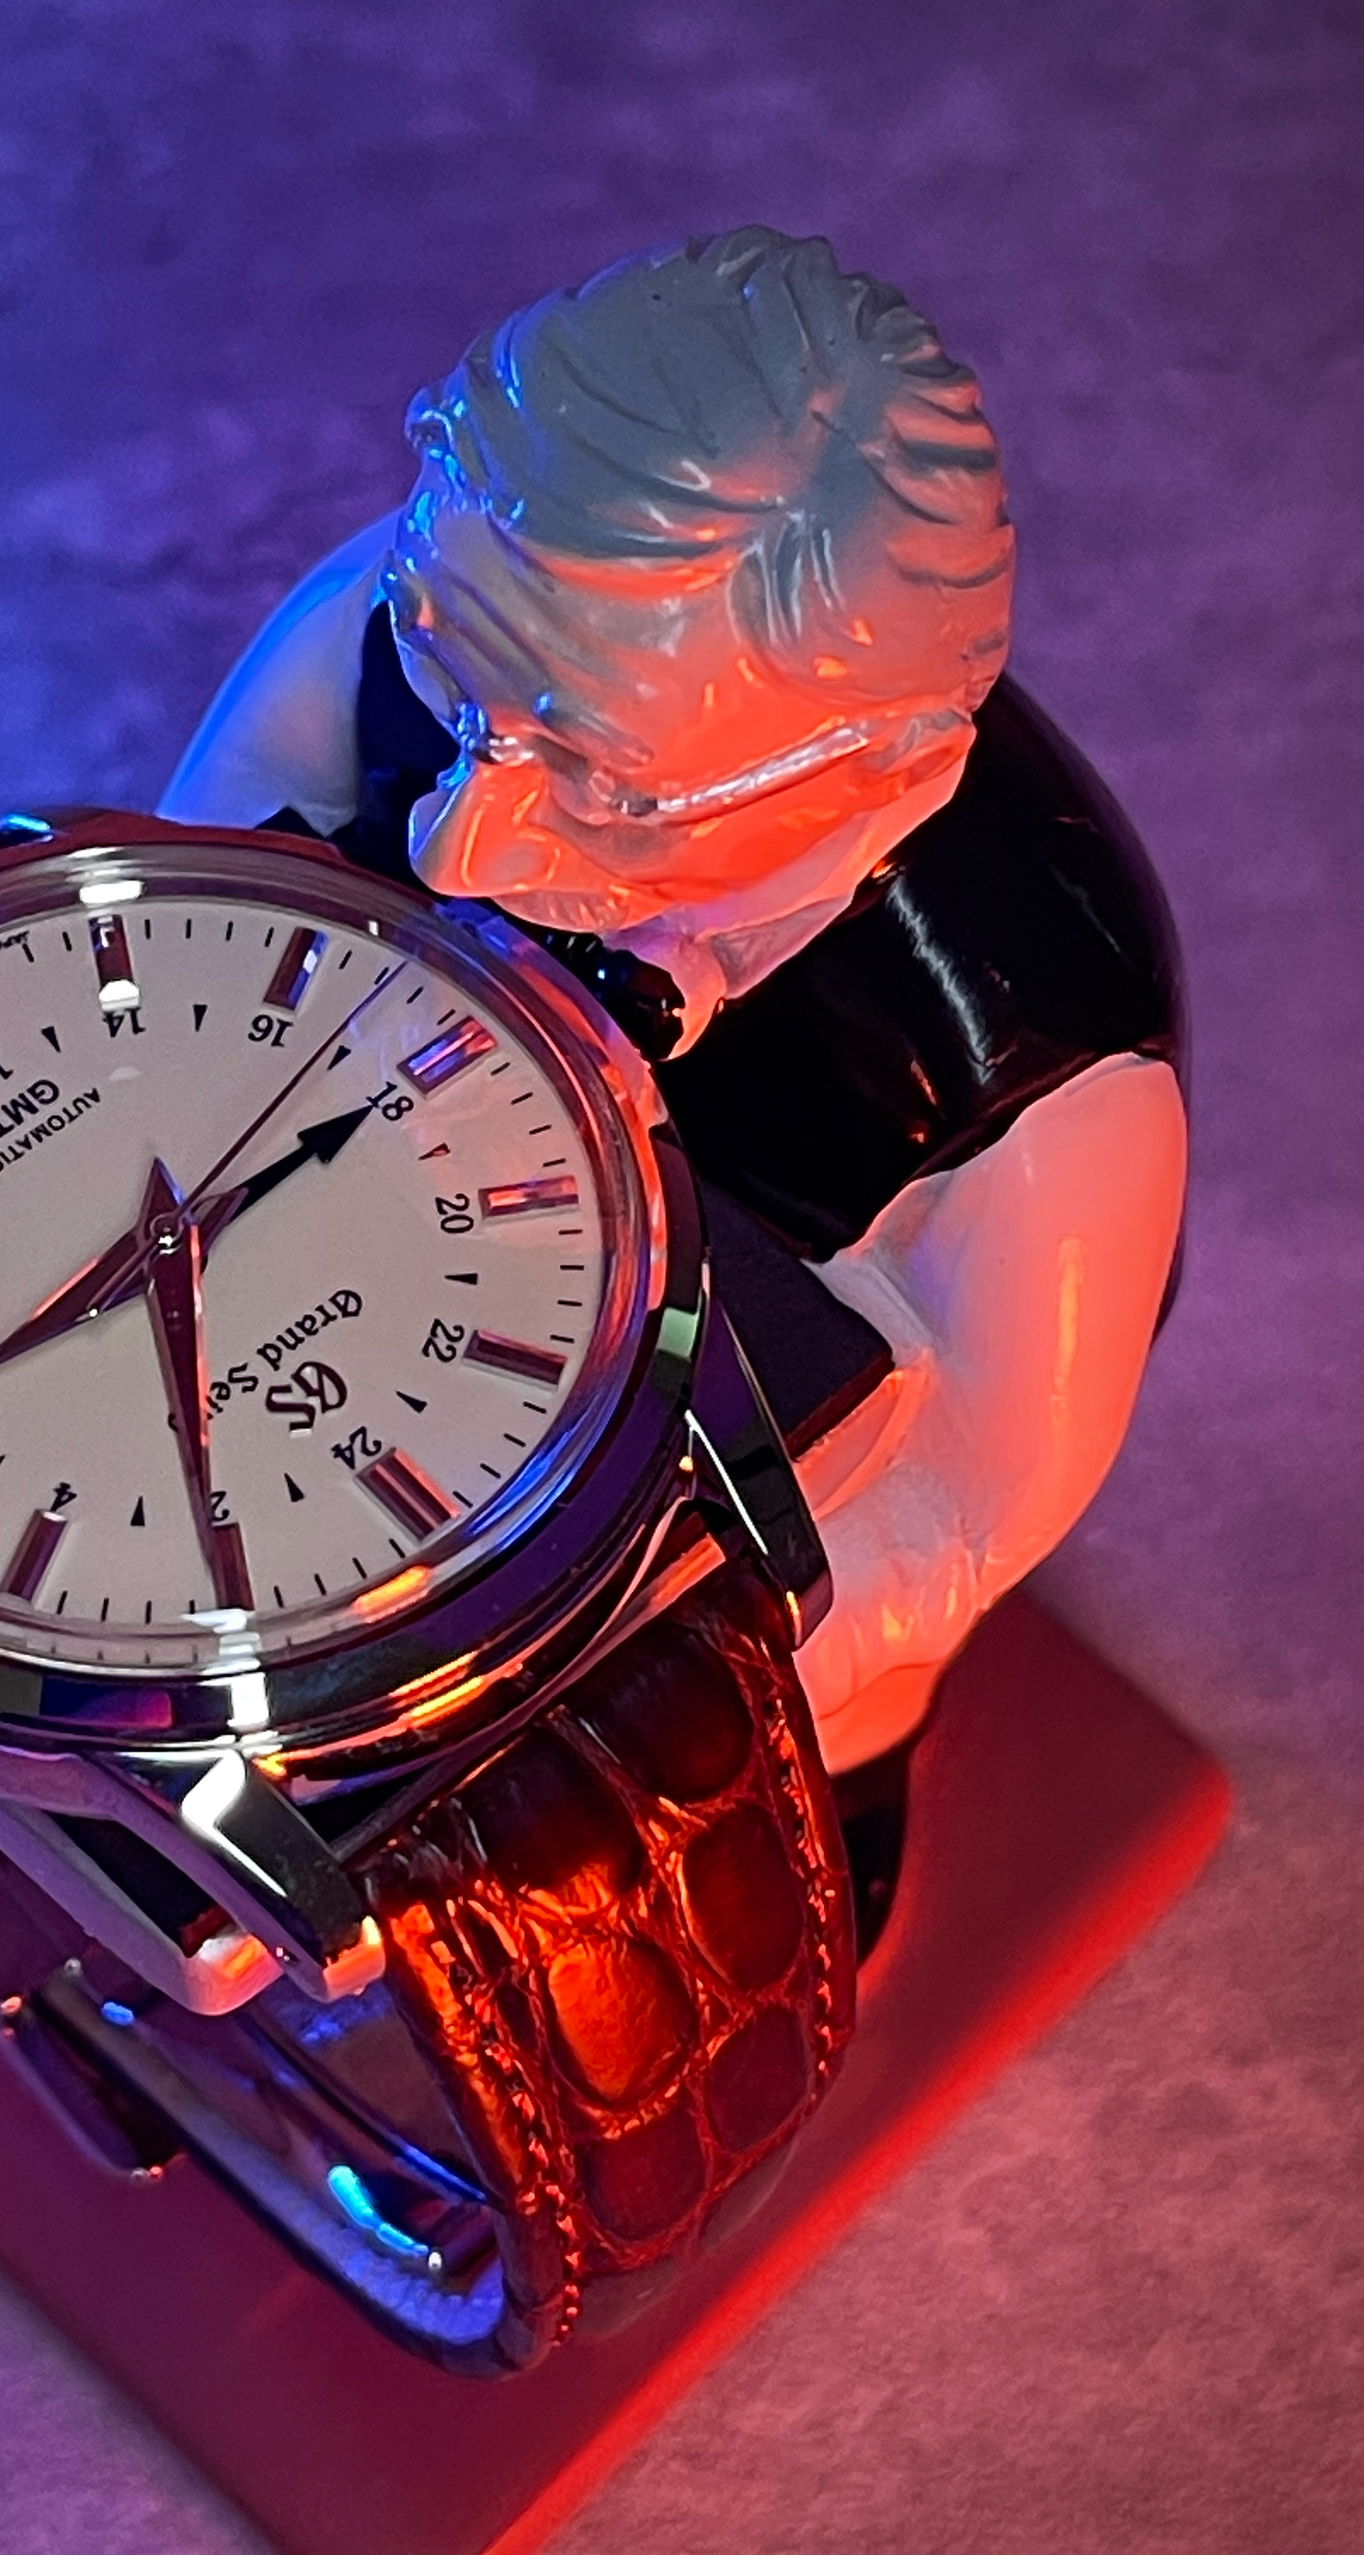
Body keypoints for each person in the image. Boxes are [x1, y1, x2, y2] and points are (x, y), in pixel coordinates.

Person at [161, 226, 1186, 1817]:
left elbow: (966, 1507)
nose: (453, 851)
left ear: (894, 766)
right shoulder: (446, 611)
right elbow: (192, 918)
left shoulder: (1041, 1083)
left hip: (700, 1492)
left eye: (612, 793)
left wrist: (547, 1709)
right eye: (448, 680)